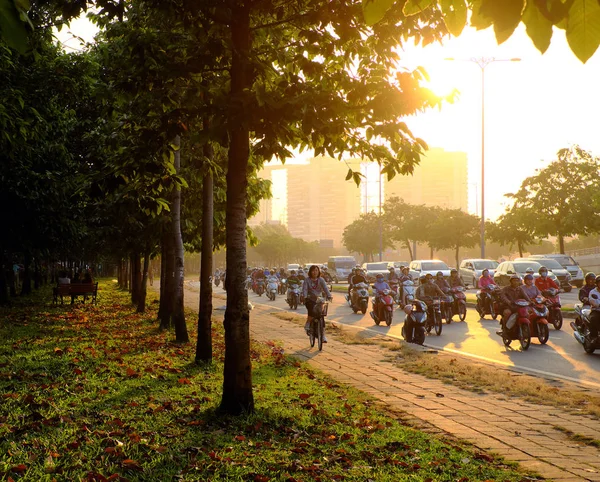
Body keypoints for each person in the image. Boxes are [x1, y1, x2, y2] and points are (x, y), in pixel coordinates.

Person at [302, 265, 332, 342]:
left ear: (318, 272)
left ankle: (323, 336)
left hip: (319, 299)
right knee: (311, 311)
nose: (315, 272)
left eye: (316, 270)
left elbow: (325, 288)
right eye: (313, 270)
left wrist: (329, 295)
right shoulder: (307, 280)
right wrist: (305, 297)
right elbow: (305, 289)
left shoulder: (321, 280)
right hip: (309, 299)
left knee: (321, 316)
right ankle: (308, 323)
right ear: (310, 272)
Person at [587, 277, 600, 344]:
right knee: (593, 319)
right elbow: (592, 301)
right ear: (597, 283)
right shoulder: (593, 292)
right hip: (596, 311)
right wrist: (597, 305)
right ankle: (593, 336)